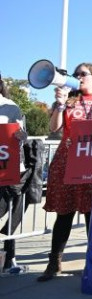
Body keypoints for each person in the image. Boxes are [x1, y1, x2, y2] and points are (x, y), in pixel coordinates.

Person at [38, 63, 92, 282]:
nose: (79, 77)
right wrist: (60, 105)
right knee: (64, 213)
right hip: (68, 158)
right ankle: (54, 262)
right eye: (76, 74)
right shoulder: (69, 100)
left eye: (83, 74)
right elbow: (54, 128)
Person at [0, 74, 29, 273]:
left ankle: (9, 256)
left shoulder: (10, 106)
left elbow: (21, 137)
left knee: (17, 206)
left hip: (9, 169)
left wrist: (22, 137)